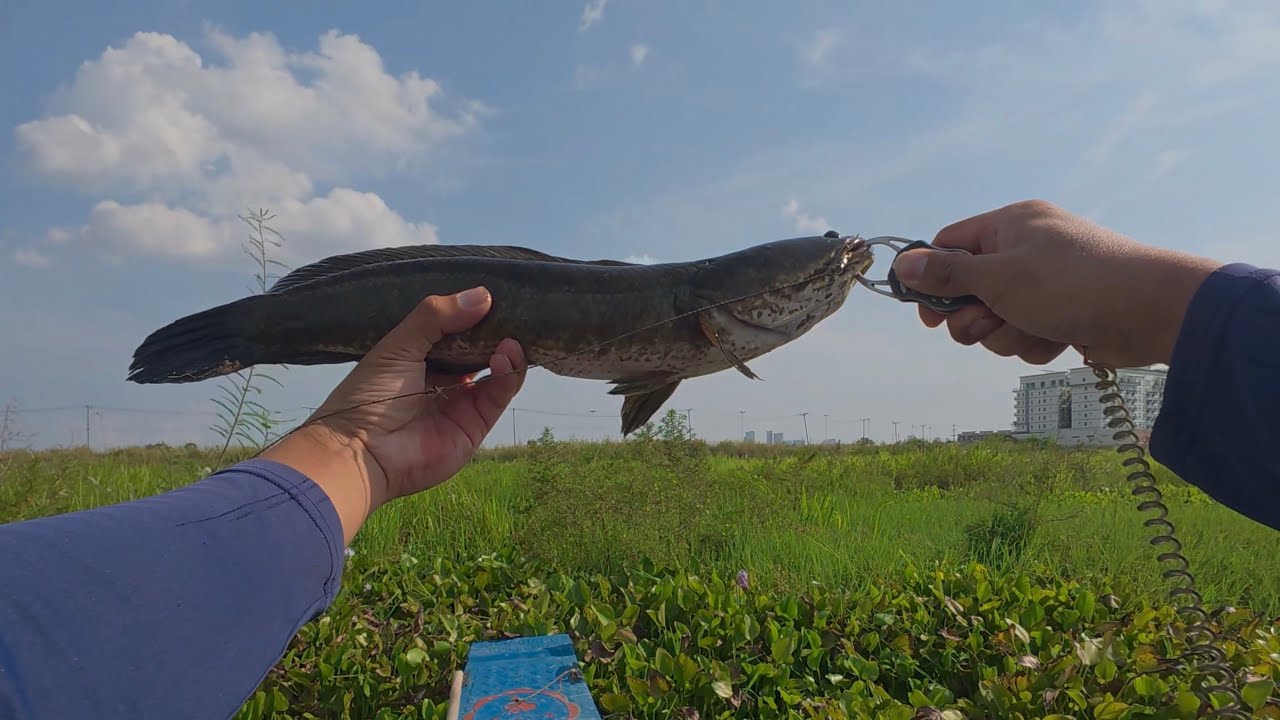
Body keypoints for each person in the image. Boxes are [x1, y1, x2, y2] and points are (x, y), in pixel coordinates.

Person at [0, 199, 1274, 719]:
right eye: (811, 281)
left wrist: (348, 452)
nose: (832, 278)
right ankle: (231, 341)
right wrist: (1157, 304)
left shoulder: (694, 323)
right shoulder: (694, 322)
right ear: (722, 319)